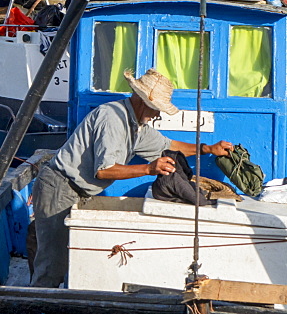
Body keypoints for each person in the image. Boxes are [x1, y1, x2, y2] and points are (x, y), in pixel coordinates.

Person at [30, 68, 233, 288]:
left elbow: (168, 146)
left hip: (78, 192)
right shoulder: (113, 118)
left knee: (70, 258)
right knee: (52, 265)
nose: (157, 115)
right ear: (140, 100)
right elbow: (104, 171)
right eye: (156, 109)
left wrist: (207, 148)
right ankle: (34, 313)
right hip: (59, 188)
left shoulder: (137, 127)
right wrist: (148, 169)